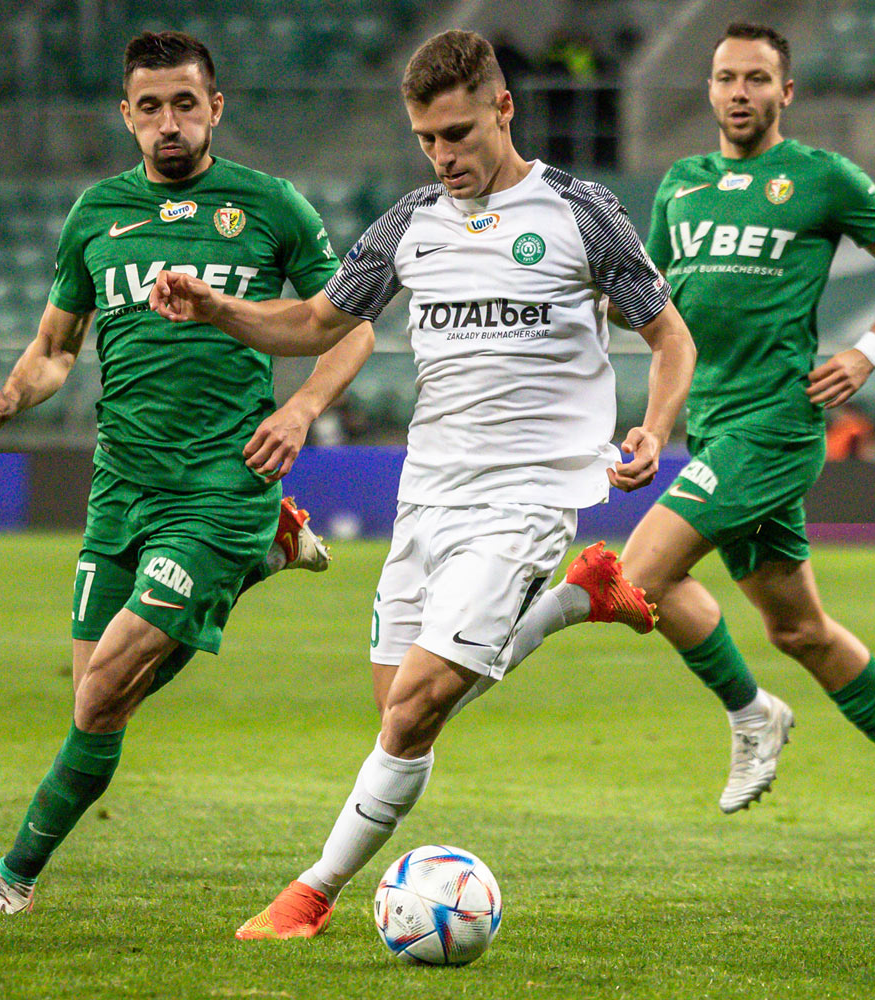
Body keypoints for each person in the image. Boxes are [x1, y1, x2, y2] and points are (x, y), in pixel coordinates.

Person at [150, 29, 696, 938]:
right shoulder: (410, 223)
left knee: (413, 711)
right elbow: (318, 321)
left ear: (503, 109)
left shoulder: (580, 210)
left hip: (528, 495)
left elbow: (670, 337)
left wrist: (655, 425)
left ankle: (311, 893)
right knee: (401, 707)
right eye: (427, 140)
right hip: (428, 493)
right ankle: (575, 602)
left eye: (458, 133)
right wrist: (223, 310)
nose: (444, 157)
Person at [0, 31, 370, 917]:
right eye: (149, 107)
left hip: (219, 485)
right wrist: (9, 397)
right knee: (99, 700)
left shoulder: (270, 206)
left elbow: (350, 324)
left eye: (184, 104)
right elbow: (57, 349)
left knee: (100, 694)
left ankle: (11, 879)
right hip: (120, 488)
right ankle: (265, 555)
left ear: (216, 106)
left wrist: (300, 410)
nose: (168, 123)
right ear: (125, 115)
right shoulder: (96, 214)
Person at [504, 22, 875, 864]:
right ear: (709, 90)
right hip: (713, 423)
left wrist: (868, 351)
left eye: (757, 78)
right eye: (725, 78)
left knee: (635, 575)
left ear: (786, 92)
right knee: (800, 631)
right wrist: (637, 396)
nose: (739, 92)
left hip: (777, 426)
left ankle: (749, 713)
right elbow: (657, 307)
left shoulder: (821, 178)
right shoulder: (682, 184)